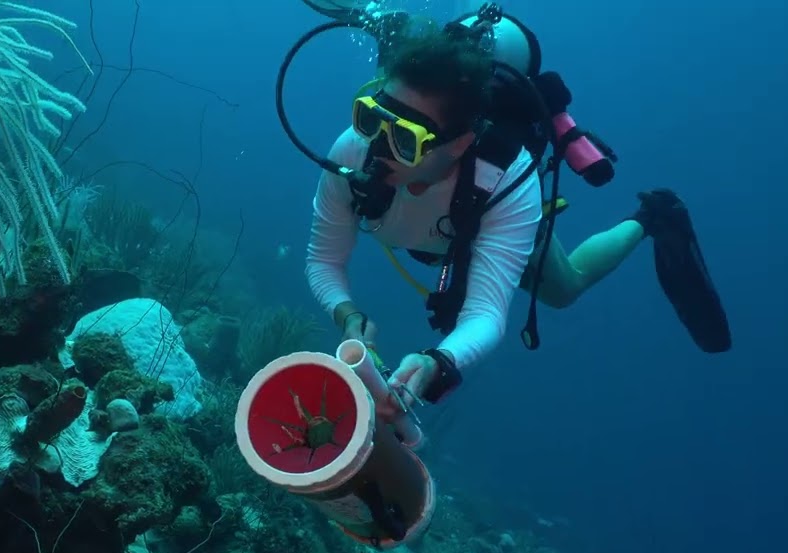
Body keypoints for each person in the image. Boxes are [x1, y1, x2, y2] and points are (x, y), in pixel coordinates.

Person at [293, 9, 730, 414]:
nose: (376, 148)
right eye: (371, 120)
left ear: (459, 144)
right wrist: (347, 313)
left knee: (564, 289)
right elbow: (323, 258)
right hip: (438, 235)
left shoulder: (509, 179)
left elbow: (485, 313)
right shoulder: (352, 147)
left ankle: (652, 217)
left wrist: (439, 361)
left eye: (404, 140)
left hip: (484, 216)